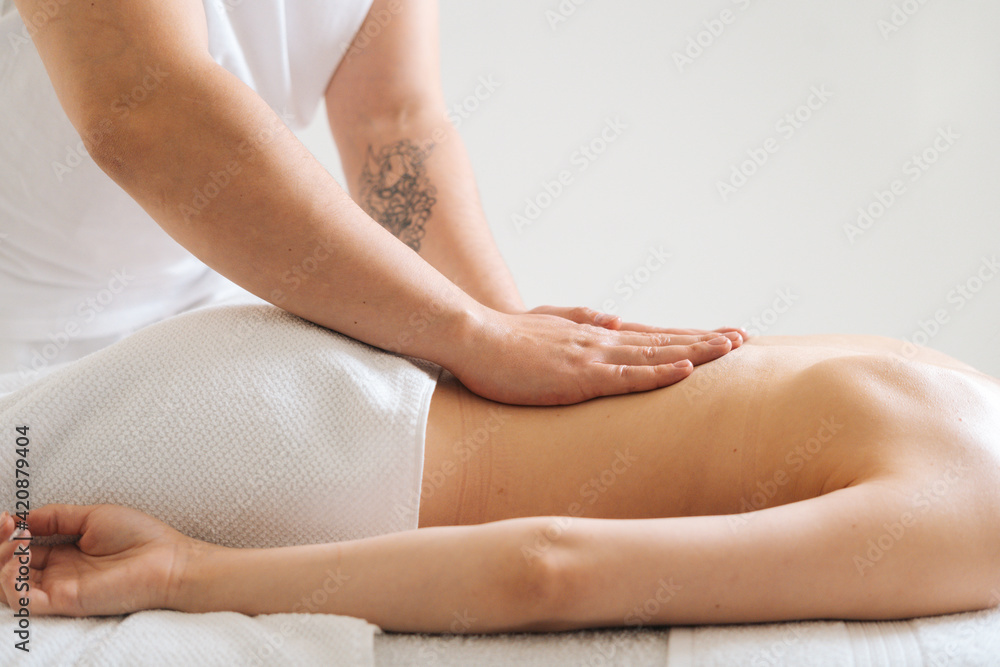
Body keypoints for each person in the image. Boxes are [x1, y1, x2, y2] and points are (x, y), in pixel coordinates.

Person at [1, 327, 998, 631]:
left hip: (288, 372)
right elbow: (549, 567)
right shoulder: (980, 514)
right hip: (322, 467)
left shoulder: (961, 386)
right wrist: (187, 573)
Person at [1, 0, 744, 403]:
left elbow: (395, 126)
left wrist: (510, 342)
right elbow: (144, 113)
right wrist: (472, 335)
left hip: (199, 327)